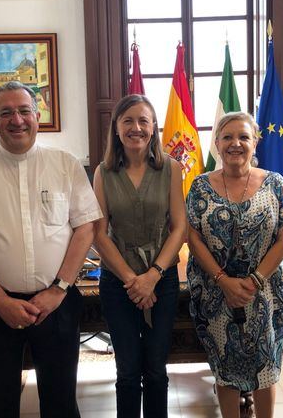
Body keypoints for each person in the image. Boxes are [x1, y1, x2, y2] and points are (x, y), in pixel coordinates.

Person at [0, 81, 102, 418]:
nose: (17, 119)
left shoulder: (65, 164)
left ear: (37, 115)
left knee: (60, 401)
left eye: (24, 110)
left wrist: (58, 290)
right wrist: (1, 302)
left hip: (56, 302)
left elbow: (84, 228)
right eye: (6, 113)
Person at [186, 111, 283, 418]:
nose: (236, 143)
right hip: (216, 292)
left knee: (267, 366)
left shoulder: (274, 184)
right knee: (224, 365)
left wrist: (254, 281)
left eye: (244, 137)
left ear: (255, 142)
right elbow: (192, 238)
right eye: (228, 137)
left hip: (266, 292)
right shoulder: (199, 186)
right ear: (217, 144)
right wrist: (224, 280)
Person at [92, 94, 185, 418]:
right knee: (128, 371)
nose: (136, 127)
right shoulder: (103, 173)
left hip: (163, 279)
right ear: (116, 128)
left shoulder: (171, 168)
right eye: (128, 120)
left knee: (156, 369)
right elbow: (99, 234)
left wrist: (152, 276)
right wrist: (133, 281)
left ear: (154, 127)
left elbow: (179, 227)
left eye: (143, 120)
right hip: (119, 283)